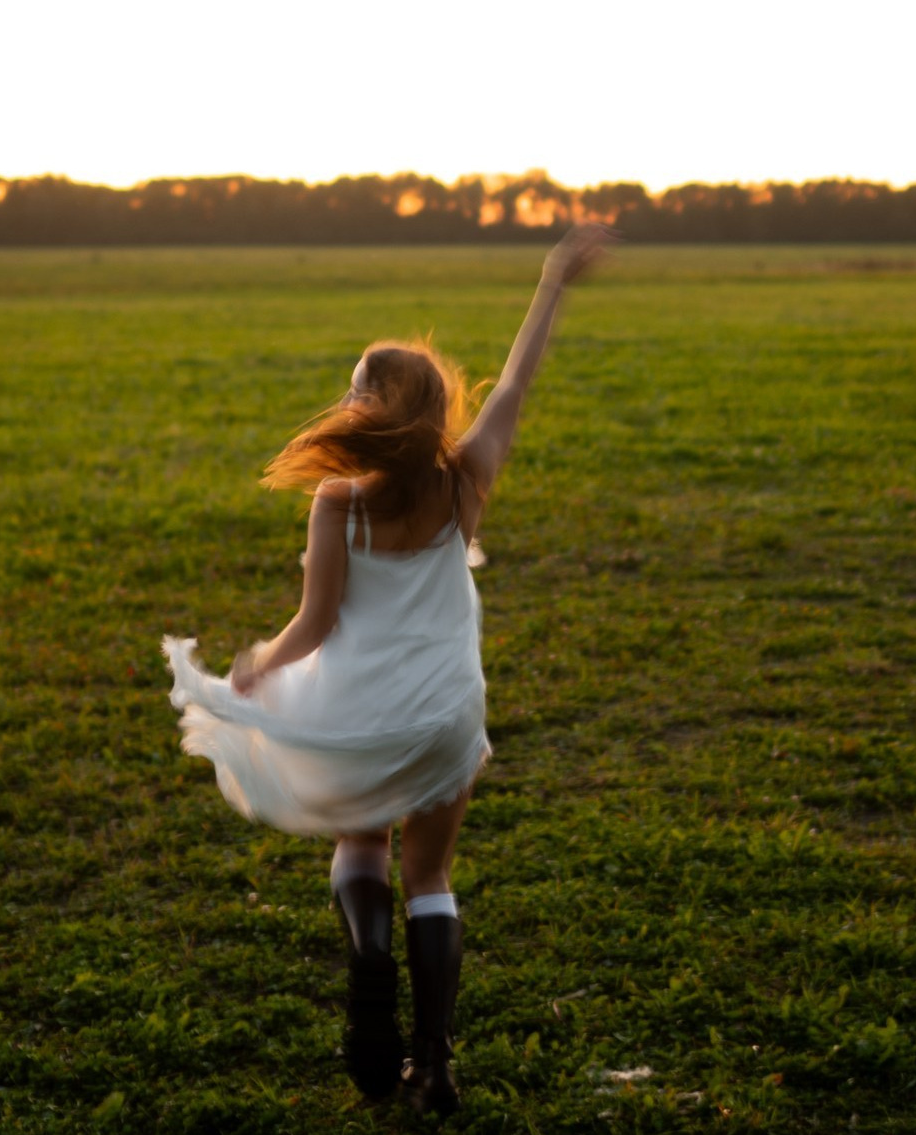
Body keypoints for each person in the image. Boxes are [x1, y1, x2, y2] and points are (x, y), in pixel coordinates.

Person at [162, 223, 615, 1115]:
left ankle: (369, 959)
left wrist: (255, 667)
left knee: (362, 842)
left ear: (375, 409)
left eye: (354, 388)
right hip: (445, 713)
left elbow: (314, 623)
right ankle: (434, 1063)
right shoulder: (464, 482)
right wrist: (553, 281)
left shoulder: (338, 502)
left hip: (357, 707)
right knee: (431, 876)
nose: (344, 399)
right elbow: (515, 384)